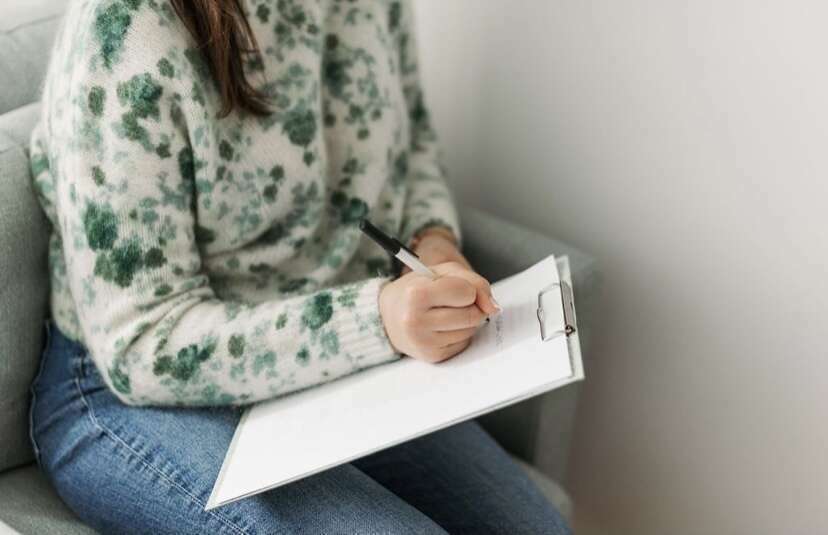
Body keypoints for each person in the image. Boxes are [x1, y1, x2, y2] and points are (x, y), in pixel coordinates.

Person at [27, 0, 571, 532]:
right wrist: (376, 321)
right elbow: (139, 343)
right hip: (130, 390)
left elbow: (414, 139)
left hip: (335, 365)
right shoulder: (124, 26)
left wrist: (432, 245)